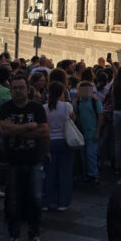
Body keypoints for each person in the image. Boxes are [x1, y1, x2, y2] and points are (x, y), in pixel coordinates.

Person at [0, 74, 49, 241]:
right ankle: (14, 235)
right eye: (15, 88)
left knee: (36, 198)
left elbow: (43, 132)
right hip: (13, 161)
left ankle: (34, 235)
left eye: (21, 87)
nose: (18, 91)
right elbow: (3, 130)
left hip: (34, 160)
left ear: (28, 89)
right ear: (10, 90)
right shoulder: (5, 108)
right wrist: (28, 127)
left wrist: (15, 130)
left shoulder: (37, 108)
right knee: (13, 200)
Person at [43, 81, 75, 212]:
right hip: (64, 141)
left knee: (49, 174)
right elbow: (73, 119)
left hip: (49, 142)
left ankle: (47, 201)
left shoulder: (44, 108)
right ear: (62, 93)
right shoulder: (67, 106)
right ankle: (62, 202)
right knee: (64, 173)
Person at [74, 81, 103, 183]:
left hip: (92, 132)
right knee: (84, 156)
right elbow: (73, 112)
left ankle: (93, 174)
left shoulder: (95, 101)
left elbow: (100, 116)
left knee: (91, 154)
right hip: (82, 133)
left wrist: (97, 132)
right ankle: (87, 173)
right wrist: (75, 99)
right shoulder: (78, 102)